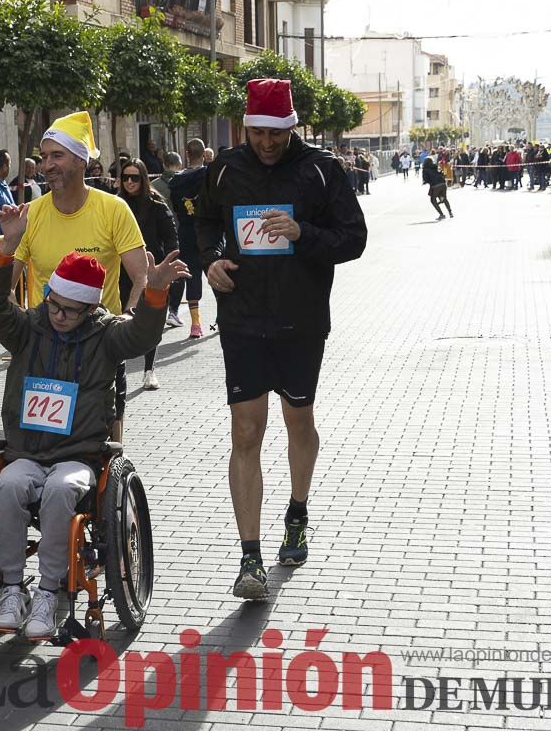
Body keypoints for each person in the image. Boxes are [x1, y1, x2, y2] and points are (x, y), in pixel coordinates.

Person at [0, 207, 186, 639]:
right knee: (9, 487)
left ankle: (51, 593)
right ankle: (13, 589)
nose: (60, 316)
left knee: (58, 492)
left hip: (78, 456)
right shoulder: (28, 328)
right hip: (27, 451)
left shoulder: (105, 335)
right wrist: (8, 247)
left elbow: (143, 337)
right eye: (55, 305)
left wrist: (155, 294)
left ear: (90, 308)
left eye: (71, 310)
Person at [195, 79, 366, 602]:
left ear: (292, 126)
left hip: (300, 321)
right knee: (246, 431)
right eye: (258, 132)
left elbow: (354, 238)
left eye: (277, 132)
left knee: (298, 420)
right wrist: (210, 261)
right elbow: (202, 221)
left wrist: (304, 235)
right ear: (245, 126)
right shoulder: (224, 168)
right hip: (243, 320)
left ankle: (297, 511)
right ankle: (250, 557)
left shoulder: (322, 169)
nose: (267, 142)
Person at [9, 111, 148, 441]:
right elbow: (3, 284)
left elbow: (141, 277)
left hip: (100, 346)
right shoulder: (33, 214)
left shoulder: (113, 209)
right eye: (43, 157)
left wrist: (127, 318)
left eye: (57, 155)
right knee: (38, 447)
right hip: (45, 346)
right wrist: (20, 328)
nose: (47, 165)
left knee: (106, 449)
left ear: (82, 161)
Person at [116, 159, 177, 390]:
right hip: (120, 272)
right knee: (119, 316)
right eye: (125, 177)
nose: (130, 182)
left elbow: (171, 238)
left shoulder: (157, 205)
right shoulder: (116, 204)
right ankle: (117, 367)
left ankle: (149, 369)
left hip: (151, 271)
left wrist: (166, 269)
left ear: (143, 178)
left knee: (151, 320)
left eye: (135, 177)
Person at [164, 139, 209, 337]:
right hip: (208, 230)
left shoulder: (176, 181)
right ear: (204, 154)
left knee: (192, 275)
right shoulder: (208, 176)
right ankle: (222, 318)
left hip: (186, 232)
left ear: (186, 154)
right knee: (214, 270)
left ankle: (196, 324)